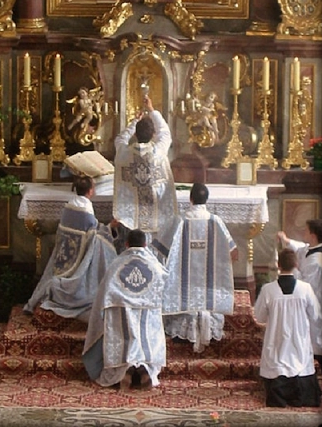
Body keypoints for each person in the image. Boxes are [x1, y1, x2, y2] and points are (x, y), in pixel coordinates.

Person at [152, 182, 239, 353]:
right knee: (208, 294)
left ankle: (185, 332)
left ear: (190, 199)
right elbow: (233, 252)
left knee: (184, 293)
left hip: (184, 285)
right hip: (209, 285)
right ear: (206, 199)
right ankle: (209, 329)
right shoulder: (216, 222)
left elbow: (160, 249)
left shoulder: (179, 221)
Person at [22, 175, 119, 322]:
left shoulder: (69, 206)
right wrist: (111, 226)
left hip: (64, 256)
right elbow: (93, 236)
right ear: (90, 191)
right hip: (78, 260)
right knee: (105, 246)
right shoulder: (86, 209)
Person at [82, 229, 168, 391]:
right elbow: (164, 286)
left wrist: (102, 312)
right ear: (145, 244)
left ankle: (123, 371)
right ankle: (145, 368)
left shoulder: (116, 264)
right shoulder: (155, 265)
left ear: (126, 244)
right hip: (146, 312)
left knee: (122, 337)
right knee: (146, 337)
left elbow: (104, 292)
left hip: (120, 311)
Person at [253, 247, 322, 407]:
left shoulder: (268, 290)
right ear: (296, 265)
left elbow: (260, 317)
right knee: (301, 362)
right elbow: (315, 315)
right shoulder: (306, 289)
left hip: (276, 342)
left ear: (278, 265)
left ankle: (279, 396)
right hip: (299, 341)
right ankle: (303, 396)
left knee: (277, 363)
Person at [112, 94, 178, 251]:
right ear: (153, 134)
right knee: (154, 252)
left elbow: (120, 139)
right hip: (155, 213)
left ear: (135, 134)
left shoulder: (124, 153)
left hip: (132, 216)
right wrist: (152, 110)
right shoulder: (158, 152)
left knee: (132, 249)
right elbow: (165, 133)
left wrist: (134, 122)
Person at [276, 219, 322, 375]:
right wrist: (286, 240)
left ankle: (318, 370)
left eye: (305, 230)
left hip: (314, 305)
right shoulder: (309, 249)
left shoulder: (317, 261)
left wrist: (292, 268)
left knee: (314, 339)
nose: (302, 232)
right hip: (305, 304)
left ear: (313, 236)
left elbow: (306, 286)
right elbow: (300, 248)